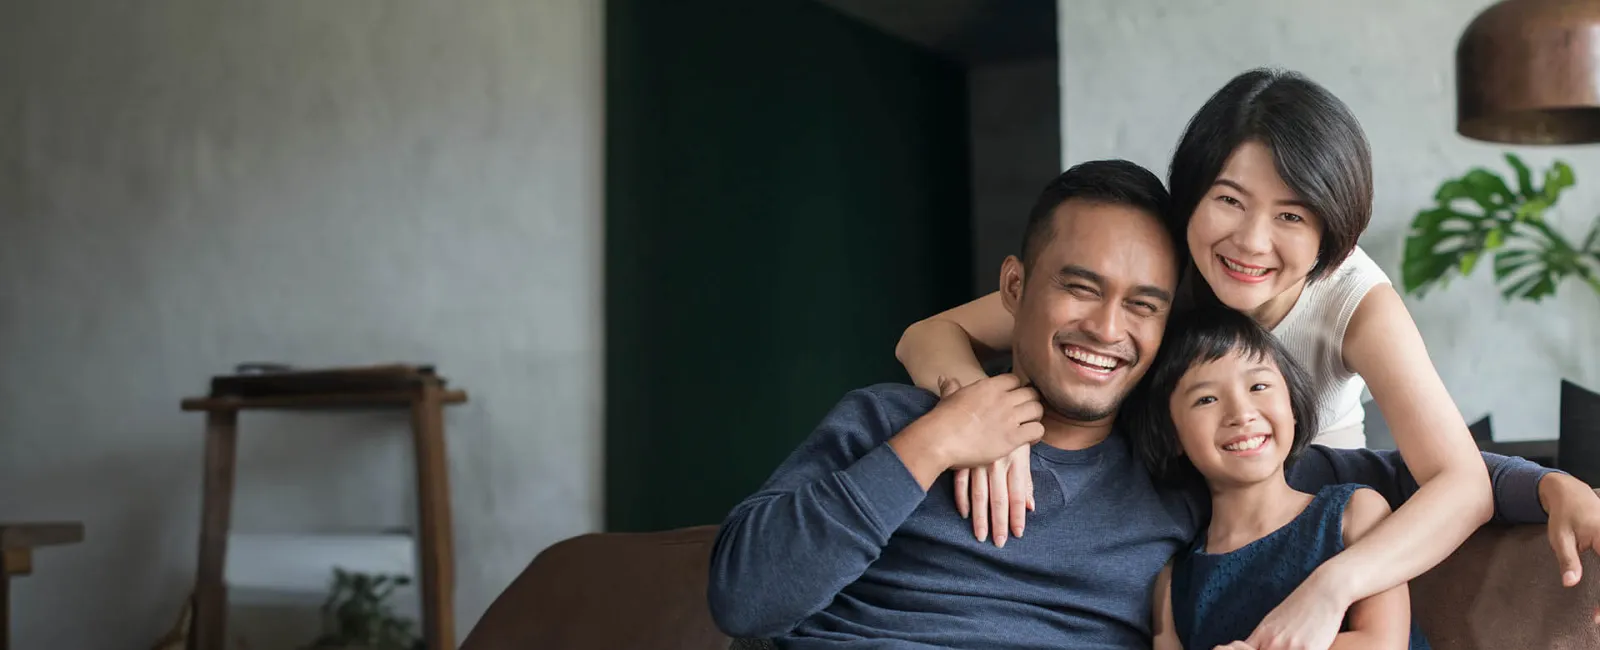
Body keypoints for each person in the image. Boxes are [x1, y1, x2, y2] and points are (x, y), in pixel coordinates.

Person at [706, 159, 1592, 650]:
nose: (1106, 327)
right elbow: (743, 600)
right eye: (1079, 289)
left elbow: (1398, 474)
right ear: (1015, 287)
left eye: (1143, 305)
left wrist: (1552, 488)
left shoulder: (1176, 464)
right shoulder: (885, 422)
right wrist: (937, 439)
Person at [895, 68, 1510, 643]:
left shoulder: (1356, 303)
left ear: (1331, 230)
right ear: (1189, 195)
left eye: (1291, 214)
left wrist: (1332, 585)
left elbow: (1463, 486)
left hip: (1302, 546)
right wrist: (980, 419)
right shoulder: (1159, 266)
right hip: (1181, 539)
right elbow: (927, 336)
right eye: (1229, 200)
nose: (1250, 241)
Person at [1135, 306, 1427, 650]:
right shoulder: (1174, 583)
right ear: (1172, 435)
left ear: (1292, 404)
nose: (1241, 413)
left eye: (1258, 385)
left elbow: (1382, 644)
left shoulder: (1353, 513)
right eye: (1207, 398)